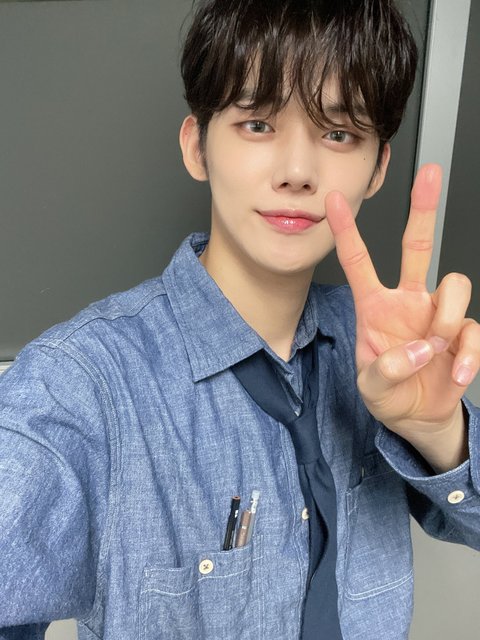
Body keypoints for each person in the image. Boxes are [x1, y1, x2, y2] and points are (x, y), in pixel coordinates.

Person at [0, 0, 479, 638]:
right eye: (258, 124)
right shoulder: (78, 388)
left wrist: (439, 432)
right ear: (197, 146)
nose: (298, 173)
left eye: (339, 134)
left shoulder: (387, 351)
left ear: (378, 169)